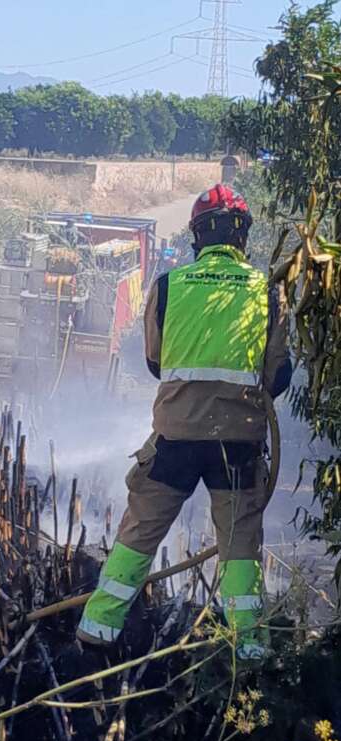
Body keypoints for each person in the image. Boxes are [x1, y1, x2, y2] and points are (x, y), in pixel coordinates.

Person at [77, 184, 292, 660]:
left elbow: (154, 362)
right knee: (239, 546)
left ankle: (96, 633)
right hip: (238, 444)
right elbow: (276, 378)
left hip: (175, 438)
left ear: (197, 235)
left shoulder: (170, 287)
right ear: (242, 237)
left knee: (139, 533)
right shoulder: (267, 291)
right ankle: (250, 650)